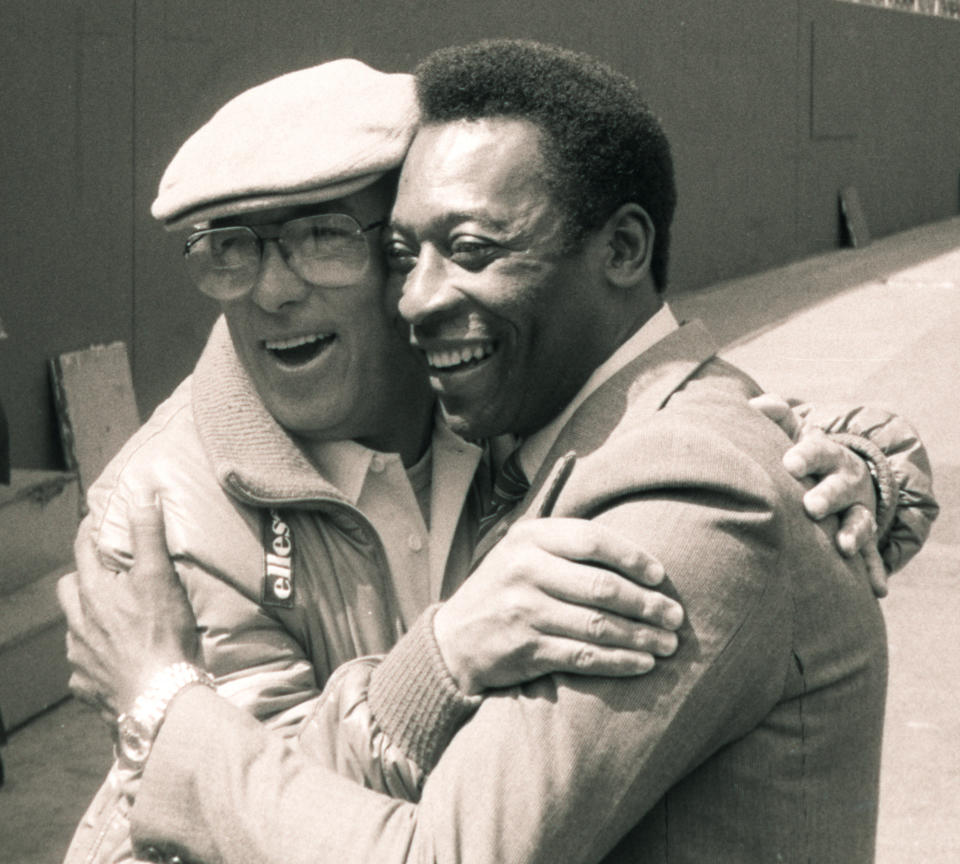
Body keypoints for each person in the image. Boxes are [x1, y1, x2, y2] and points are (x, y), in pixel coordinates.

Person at [60, 42, 938, 864]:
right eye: (227, 251)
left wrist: (869, 464)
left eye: (324, 238)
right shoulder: (159, 512)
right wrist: (435, 658)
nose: (273, 289)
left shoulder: (493, 396)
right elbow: (245, 817)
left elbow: (692, 441)